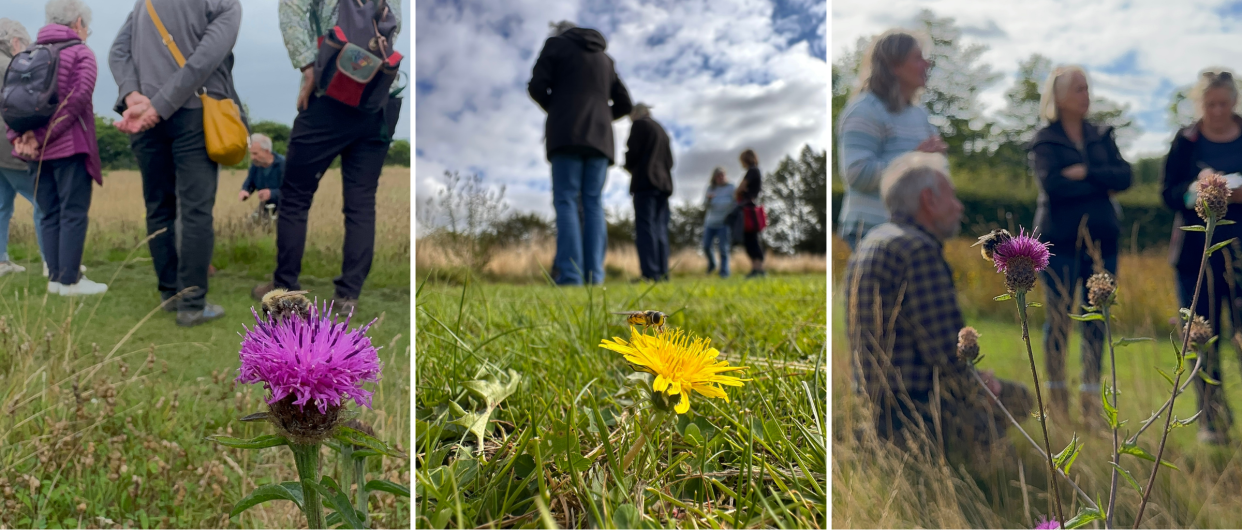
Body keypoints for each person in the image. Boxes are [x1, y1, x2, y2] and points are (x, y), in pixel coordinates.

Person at [845, 151, 1032, 459]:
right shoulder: (919, 251)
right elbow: (947, 353)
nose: (959, 206)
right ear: (929, 200)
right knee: (1020, 398)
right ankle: (986, 469)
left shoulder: (872, 242)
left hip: (874, 406)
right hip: (916, 410)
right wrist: (982, 387)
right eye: (952, 197)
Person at [252, 0, 403, 312]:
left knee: (294, 196)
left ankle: (285, 288)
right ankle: (348, 296)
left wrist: (309, 68)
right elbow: (392, 25)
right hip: (382, 95)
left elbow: (292, 10)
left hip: (332, 90)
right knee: (361, 202)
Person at [110, 0, 242, 324]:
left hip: (144, 118)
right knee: (195, 210)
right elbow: (204, 61)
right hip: (193, 114)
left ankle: (169, 294)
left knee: (158, 206)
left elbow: (118, 51)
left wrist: (133, 96)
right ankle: (192, 304)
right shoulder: (226, 4)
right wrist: (158, 105)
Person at [1029, 65, 1132, 423]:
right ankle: (1057, 402)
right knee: (1058, 319)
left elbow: (1126, 176)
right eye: (1078, 89)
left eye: (1087, 88)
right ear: (1057, 97)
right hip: (1057, 243)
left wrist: (1086, 172)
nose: (1085, 95)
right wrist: (1102, 184)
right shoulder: (1044, 139)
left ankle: (1091, 402)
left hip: (1102, 244)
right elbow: (1052, 186)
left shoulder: (1102, 134)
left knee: (1097, 320)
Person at [1161, 68, 1242, 445]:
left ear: (1234, 102)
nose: (1217, 111)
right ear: (1200, 104)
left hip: (1239, 252)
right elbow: (1168, 194)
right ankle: (1213, 421)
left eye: (1224, 103)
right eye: (1210, 104)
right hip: (1195, 257)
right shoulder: (1186, 140)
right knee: (1202, 337)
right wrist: (1198, 191)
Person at [7, 0, 104, 296]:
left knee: (48, 211)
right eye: (86, 25)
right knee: (72, 212)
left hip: (35, 154)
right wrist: (41, 136)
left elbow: (11, 102)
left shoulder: (28, 54)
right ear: (77, 23)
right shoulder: (81, 54)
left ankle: (55, 279)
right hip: (69, 148)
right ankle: (70, 281)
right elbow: (76, 101)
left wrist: (20, 137)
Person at [528, 20, 632, 285]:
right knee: (593, 203)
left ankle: (571, 275)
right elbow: (625, 103)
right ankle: (595, 276)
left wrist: (558, 107)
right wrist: (602, 115)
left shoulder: (555, 45)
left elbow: (536, 86)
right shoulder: (605, 59)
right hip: (600, 137)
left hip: (566, 131)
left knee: (566, 200)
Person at [836, 29, 946, 252]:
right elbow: (857, 173)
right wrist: (914, 160)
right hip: (872, 229)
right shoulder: (864, 110)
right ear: (894, 65)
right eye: (917, 58)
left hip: (916, 231)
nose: (926, 64)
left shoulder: (919, 114)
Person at [0, 19, 44, 277]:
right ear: (15, 42)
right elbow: (21, 107)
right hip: (8, 145)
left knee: (2, 203)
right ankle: (54, 262)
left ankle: (1, 261)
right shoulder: (10, 67)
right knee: (43, 200)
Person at [624, 103, 673, 282]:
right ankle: (663, 272)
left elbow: (633, 153)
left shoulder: (640, 125)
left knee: (645, 228)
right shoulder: (662, 131)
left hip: (645, 181)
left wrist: (628, 165)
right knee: (660, 228)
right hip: (663, 184)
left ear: (637, 112)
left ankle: (650, 273)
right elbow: (670, 161)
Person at [735, 149, 766, 277]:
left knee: (752, 239)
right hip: (748, 207)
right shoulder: (754, 171)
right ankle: (755, 268)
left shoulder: (752, 170)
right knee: (749, 239)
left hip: (749, 209)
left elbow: (741, 188)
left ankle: (758, 269)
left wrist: (737, 192)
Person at [240, 133, 284, 215]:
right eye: (251, 154)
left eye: (255, 154)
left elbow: (292, 191)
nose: (252, 157)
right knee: (251, 225)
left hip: (285, 208)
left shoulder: (283, 165)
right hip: (265, 206)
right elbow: (250, 181)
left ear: (266, 151)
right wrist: (245, 190)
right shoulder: (256, 165)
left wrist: (272, 193)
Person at [702, 167, 734, 278]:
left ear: (725, 176)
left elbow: (734, 204)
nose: (720, 177)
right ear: (714, 178)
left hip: (724, 223)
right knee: (706, 246)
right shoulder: (710, 188)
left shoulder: (731, 188)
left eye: (722, 175)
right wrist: (709, 200)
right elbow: (705, 205)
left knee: (723, 248)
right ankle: (712, 264)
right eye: (717, 176)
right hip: (710, 222)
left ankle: (724, 272)